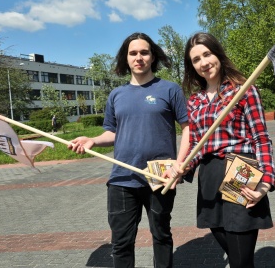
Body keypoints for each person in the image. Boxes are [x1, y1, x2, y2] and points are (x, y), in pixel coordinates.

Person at [67, 32, 189, 268]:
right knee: (121, 243)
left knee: (161, 236)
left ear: (153, 56)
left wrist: (179, 164)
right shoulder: (116, 95)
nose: (139, 57)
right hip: (122, 179)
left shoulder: (170, 90)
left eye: (144, 52)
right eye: (133, 53)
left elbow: (188, 128)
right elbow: (112, 133)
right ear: (126, 58)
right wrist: (92, 140)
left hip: (159, 177)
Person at [168, 32, 275, 268]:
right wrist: (180, 167)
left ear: (218, 53)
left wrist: (265, 182)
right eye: (196, 59)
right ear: (192, 66)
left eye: (207, 54)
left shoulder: (243, 89)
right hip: (208, 176)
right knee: (234, 251)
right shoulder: (194, 101)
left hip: (240, 169)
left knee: (239, 259)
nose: (203, 63)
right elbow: (196, 146)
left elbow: (261, 138)